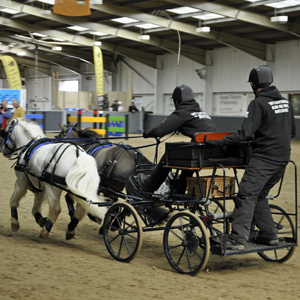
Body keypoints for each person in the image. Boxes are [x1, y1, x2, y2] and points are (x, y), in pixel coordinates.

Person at [206, 65, 296, 251]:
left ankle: (238, 239)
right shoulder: (286, 103)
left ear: (254, 85)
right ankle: (269, 236)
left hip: (264, 160)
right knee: (260, 195)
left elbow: (244, 133)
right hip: (282, 160)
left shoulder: (258, 103)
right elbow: (292, 132)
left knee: (246, 195)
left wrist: (220, 142)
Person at [136, 84, 219, 194]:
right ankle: (180, 186)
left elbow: (160, 130)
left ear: (176, 101)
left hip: (202, 151)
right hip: (215, 150)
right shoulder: (201, 112)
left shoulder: (182, 112)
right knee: (189, 151)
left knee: (170, 153)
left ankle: (150, 185)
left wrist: (146, 134)